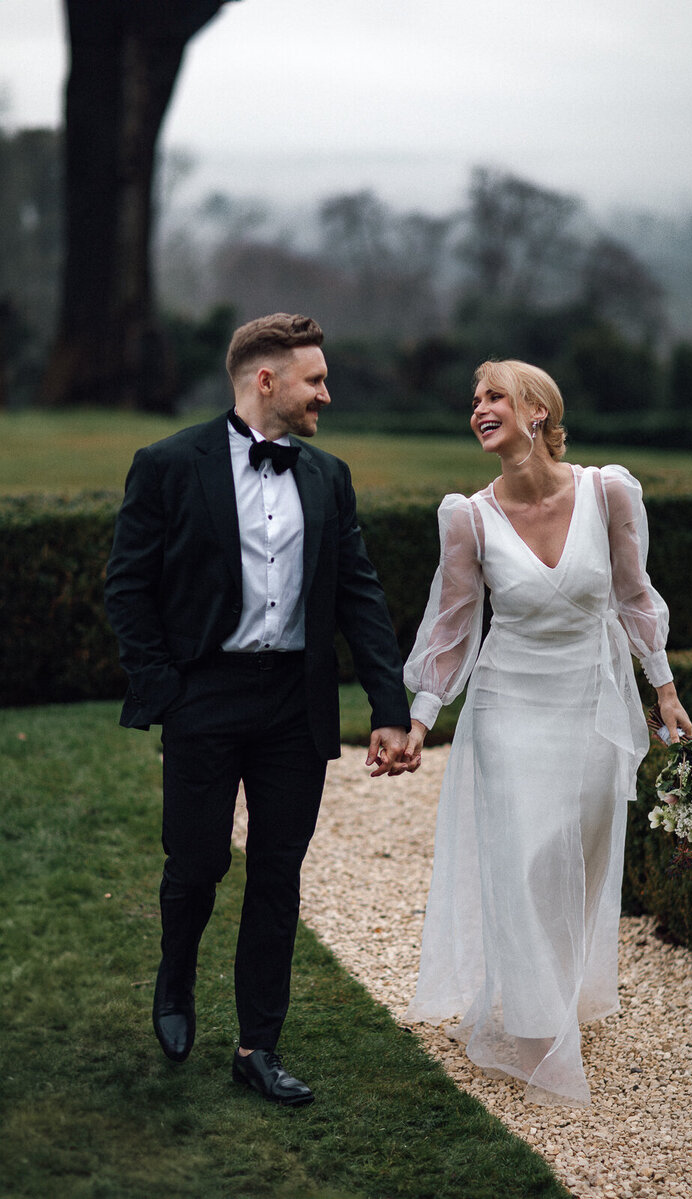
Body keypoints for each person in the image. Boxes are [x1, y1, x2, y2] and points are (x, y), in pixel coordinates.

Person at [105, 313, 411, 1107]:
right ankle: (175, 983)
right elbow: (127, 588)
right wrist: (165, 687)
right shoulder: (169, 464)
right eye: (315, 380)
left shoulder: (328, 475)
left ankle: (257, 1046)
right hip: (204, 696)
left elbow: (358, 593)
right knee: (198, 861)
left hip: (293, 708)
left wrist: (388, 703)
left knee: (278, 875)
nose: (327, 395)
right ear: (265, 381)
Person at [402, 359, 691, 1106]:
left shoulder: (609, 491)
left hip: (593, 703)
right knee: (526, 857)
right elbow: (453, 626)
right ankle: (537, 1033)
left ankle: (557, 994)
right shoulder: (467, 516)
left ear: (537, 411)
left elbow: (633, 595)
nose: (479, 408)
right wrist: (420, 718)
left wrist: (664, 691)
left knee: (583, 858)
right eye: (474, 399)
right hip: (509, 706)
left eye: (494, 396)